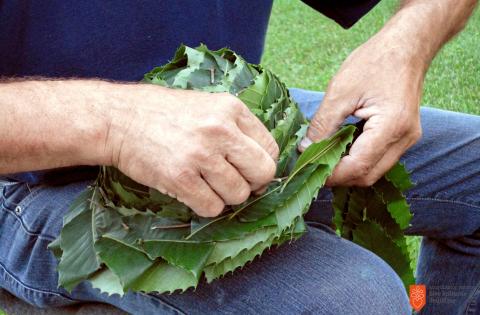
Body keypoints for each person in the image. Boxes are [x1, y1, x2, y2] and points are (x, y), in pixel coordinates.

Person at [0, 0, 478, 314]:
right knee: (355, 299)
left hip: (234, 121)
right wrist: (114, 121)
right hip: (33, 172)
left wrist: (405, 46)